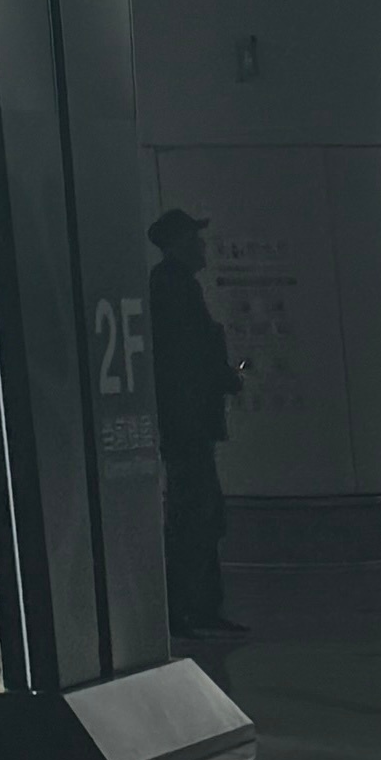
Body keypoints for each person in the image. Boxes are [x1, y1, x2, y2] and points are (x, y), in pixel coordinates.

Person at [147, 207, 236, 638]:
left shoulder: (175, 285)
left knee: (201, 514)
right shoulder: (173, 287)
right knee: (194, 516)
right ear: (179, 243)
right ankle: (188, 609)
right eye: (195, 239)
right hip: (188, 424)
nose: (203, 246)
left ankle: (198, 608)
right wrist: (225, 378)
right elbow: (187, 357)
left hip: (188, 422)